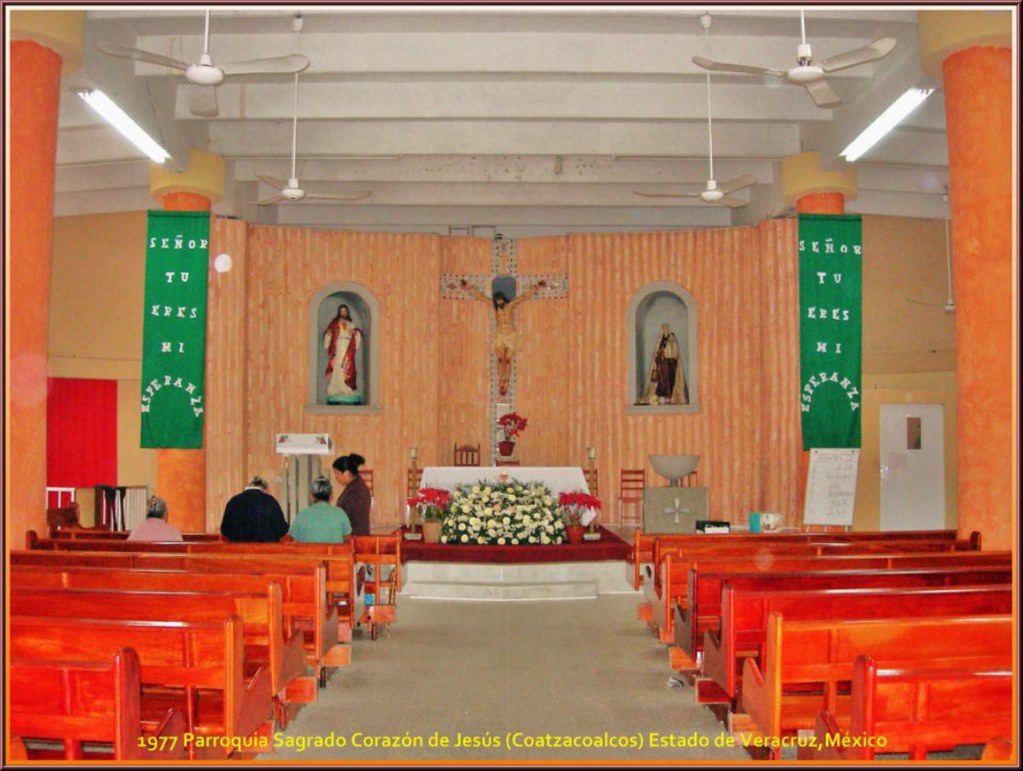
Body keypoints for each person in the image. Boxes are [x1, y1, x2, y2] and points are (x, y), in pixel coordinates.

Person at [459, 278, 546, 395]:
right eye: (497, 300)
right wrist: (469, 288)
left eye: (500, 299)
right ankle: (500, 381)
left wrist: (536, 287)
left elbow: (524, 297)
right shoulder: (494, 307)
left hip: (510, 334)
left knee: (508, 360)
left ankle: (507, 382)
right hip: (500, 334)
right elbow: (480, 297)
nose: (498, 302)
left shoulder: (510, 305)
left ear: (503, 299)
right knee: (500, 360)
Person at [220, 476, 289, 542]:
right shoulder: (270, 501)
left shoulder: (233, 501)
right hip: (267, 551)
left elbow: (225, 530)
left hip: (239, 551)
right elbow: (281, 529)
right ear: (264, 489)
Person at [289, 476, 352, 544]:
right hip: (334, 554)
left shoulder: (302, 515)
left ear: (312, 496)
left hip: (309, 554)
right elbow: (347, 538)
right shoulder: (340, 514)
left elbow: (294, 540)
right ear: (331, 495)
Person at [323, 303, 363, 404]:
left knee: (347, 366)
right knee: (338, 367)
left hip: (348, 346)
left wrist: (355, 333)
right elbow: (329, 333)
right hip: (339, 346)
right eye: (341, 311)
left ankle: (346, 387)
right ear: (339, 312)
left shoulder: (350, 323)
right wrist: (328, 334)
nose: (343, 313)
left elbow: (356, 334)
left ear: (347, 312)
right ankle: (337, 388)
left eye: (345, 311)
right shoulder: (335, 323)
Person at [641, 323, 689, 405]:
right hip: (661, 363)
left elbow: (673, 351)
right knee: (661, 379)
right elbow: (658, 350)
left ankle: (669, 395)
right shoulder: (661, 338)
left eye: (666, 328)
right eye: (664, 328)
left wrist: (668, 355)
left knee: (669, 379)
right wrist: (659, 356)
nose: (665, 330)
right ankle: (660, 395)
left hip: (669, 363)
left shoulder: (671, 338)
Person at [332, 454, 372, 536]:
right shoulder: (355, 486)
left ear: (346, 473)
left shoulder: (354, 491)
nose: (336, 477)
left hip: (354, 539)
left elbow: (348, 519)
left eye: (337, 473)